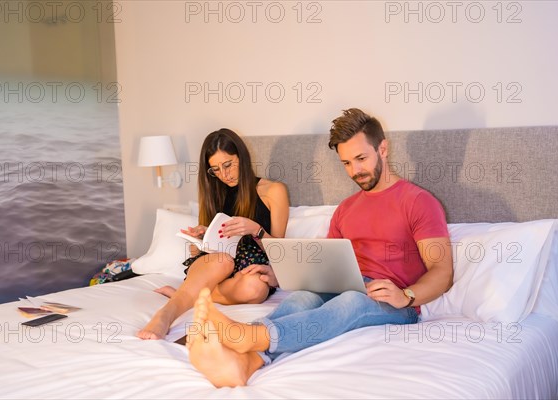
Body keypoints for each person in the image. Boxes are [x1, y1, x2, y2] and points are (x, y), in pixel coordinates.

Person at [184, 108, 454, 387]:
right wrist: (285, 275)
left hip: (395, 302)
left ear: (383, 149)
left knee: (353, 302)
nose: (355, 171)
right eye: (346, 163)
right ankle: (247, 362)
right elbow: (325, 263)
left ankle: (250, 336)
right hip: (345, 285)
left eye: (361, 159)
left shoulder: (418, 201)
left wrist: (406, 296)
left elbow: (442, 271)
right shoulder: (346, 210)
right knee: (303, 298)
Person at [136, 128, 289, 340]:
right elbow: (205, 251)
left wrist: (255, 230)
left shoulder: (273, 191)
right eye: (215, 170)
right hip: (217, 263)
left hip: (250, 268)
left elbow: (280, 254)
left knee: (255, 288)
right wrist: (201, 239)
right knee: (222, 261)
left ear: (241, 157)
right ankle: (165, 315)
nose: (224, 175)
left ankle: (188, 295)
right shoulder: (215, 192)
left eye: (228, 165)